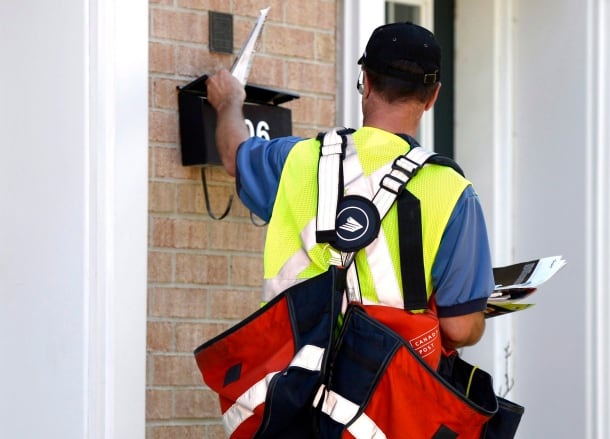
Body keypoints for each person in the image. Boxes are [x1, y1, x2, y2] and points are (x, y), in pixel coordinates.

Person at [205, 22, 493, 350]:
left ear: (366, 83)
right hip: (384, 391)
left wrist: (229, 101)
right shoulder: (453, 192)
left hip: (288, 382)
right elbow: (460, 327)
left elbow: (233, 154)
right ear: (432, 97)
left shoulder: (298, 160)